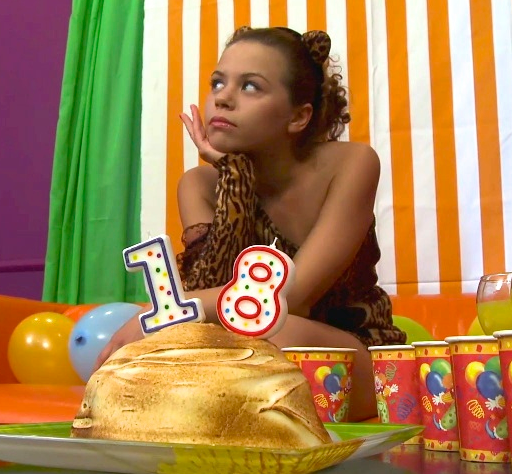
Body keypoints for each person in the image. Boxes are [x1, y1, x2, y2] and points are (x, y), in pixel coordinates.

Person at [95, 26, 405, 420]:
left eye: (250, 86)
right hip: (240, 352)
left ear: (298, 116)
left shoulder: (352, 164)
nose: (222, 98)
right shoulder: (198, 185)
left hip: (350, 356)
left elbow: (292, 299)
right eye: (217, 82)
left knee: (276, 333)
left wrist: (159, 315)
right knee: (196, 343)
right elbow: (208, 288)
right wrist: (234, 178)